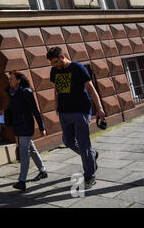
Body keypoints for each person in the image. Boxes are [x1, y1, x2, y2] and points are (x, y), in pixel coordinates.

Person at [47, 47, 104, 190]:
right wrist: (56, 105)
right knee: (68, 141)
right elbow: (56, 89)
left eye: (55, 62)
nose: (54, 65)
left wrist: (100, 108)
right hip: (64, 112)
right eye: (52, 63)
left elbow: (90, 88)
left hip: (80, 111)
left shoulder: (78, 68)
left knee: (84, 145)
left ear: (62, 56)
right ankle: (92, 155)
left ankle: (90, 176)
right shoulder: (54, 71)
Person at [3, 71, 48, 192]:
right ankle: (43, 171)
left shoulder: (26, 92)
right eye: (9, 79)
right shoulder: (12, 92)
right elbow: (12, 107)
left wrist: (42, 127)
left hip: (26, 126)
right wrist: (5, 111)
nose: (9, 81)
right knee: (31, 149)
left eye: (11, 79)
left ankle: (22, 181)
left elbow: (35, 110)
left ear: (18, 80)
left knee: (24, 153)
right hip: (18, 126)